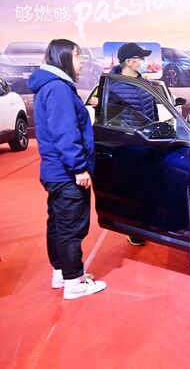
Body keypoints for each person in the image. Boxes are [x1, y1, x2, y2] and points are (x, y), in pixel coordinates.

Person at [27, 39, 107, 299]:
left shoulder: (49, 87)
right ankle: (74, 281)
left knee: (59, 225)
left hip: (54, 171)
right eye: (77, 55)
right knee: (72, 227)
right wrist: (79, 168)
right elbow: (65, 133)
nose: (82, 60)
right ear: (62, 57)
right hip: (66, 172)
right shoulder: (59, 89)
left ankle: (62, 273)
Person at [108, 42, 160, 246]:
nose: (142, 61)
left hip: (149, 144)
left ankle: (150, 223)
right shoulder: (113, 85)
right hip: (129, 144)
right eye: (139, 58)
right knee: (133, 189)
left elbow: (153, 113)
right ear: (129, 61)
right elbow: (110, 118)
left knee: (151, 187)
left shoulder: (145, 82)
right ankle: (135, 229)